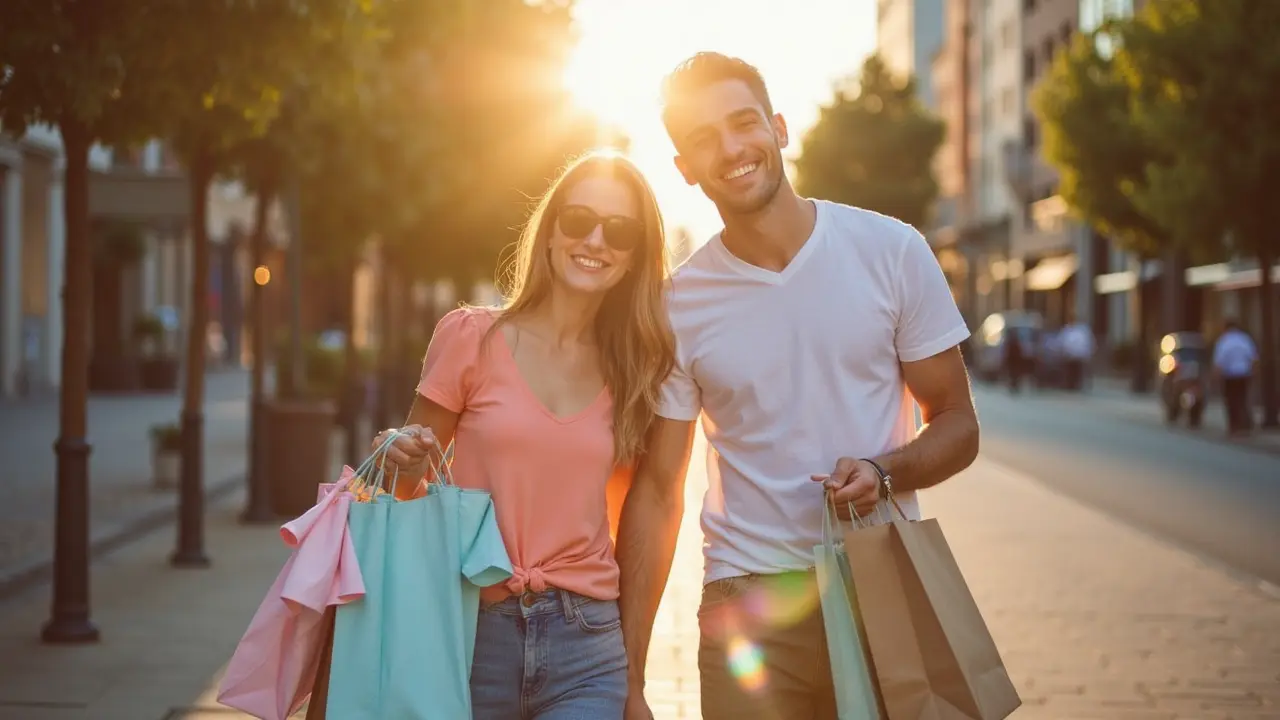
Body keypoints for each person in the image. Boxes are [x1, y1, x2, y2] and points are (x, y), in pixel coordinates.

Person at [616, 53, 981, 720]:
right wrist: (630, 678)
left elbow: (958, 423)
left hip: (878, 582)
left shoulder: (891, 251)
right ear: (685, 170)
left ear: (779, 128)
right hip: (745, 606)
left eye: (743, 123)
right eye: (703, 139)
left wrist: (885, 470)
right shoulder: (678, 307)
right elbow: (659, 491)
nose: (731, 149)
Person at [373, 150, 677, 719]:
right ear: (552, 228)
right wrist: (398, 452)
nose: (594, 240)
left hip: (586, 642)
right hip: (469, 633)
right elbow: (402, 488)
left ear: (636, 254)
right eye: (578, 220)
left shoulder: (637, 369)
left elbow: (649, 508)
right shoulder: (472, 337)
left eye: (618, 229)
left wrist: (635, 681)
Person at [1212, 319, 1258, 436]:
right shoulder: (1245, 340)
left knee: (1231, 401)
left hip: (1230, 376)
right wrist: (1253, 373)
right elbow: (1253, 358)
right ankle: (1245, 425)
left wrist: (1216, 377)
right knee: (1242, 399)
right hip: (1244, 374)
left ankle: (1234, 426)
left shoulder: (1224, 341)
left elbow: (1219, 362)